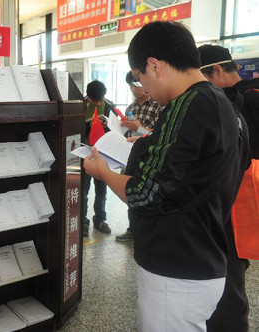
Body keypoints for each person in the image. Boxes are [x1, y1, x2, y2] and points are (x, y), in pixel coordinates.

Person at [83, 21, 249, 332]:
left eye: (139, 77)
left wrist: (102, 171)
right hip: (204, 255)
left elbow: (144, 194)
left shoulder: (187, 106)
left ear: (154, 65)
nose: (143, 87)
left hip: (177, 267)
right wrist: (146, 144)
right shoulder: (221, 103)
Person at [198, 44, 259, 332]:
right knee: (233, 268)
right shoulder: (247, 96)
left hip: (238, 203)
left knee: (230, 276)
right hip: (238, 202)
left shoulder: (244, 102)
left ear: (218, 71)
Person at [116, 71, 163, 242]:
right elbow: (128, 132)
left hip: (152, 158)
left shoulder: (158, 105)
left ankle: (147, 230)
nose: (134, 90)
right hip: (132, 156)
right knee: (131, 190)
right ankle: (132, 229)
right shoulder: (131, 108)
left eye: (136, 85)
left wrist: (139, 128)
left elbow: (160, 135)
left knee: (148, 195)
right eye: (130, 86)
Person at [83, 80, 114, 235]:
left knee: (101, 191)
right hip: (85, 156)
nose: (99, 103)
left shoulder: (108, 106)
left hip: (102, 155)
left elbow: (114, 129)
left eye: (101, 99)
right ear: (88, 97)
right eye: (96, 101)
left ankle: (100, 220)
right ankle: (82, 222)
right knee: (83, 191)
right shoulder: (80, 106)